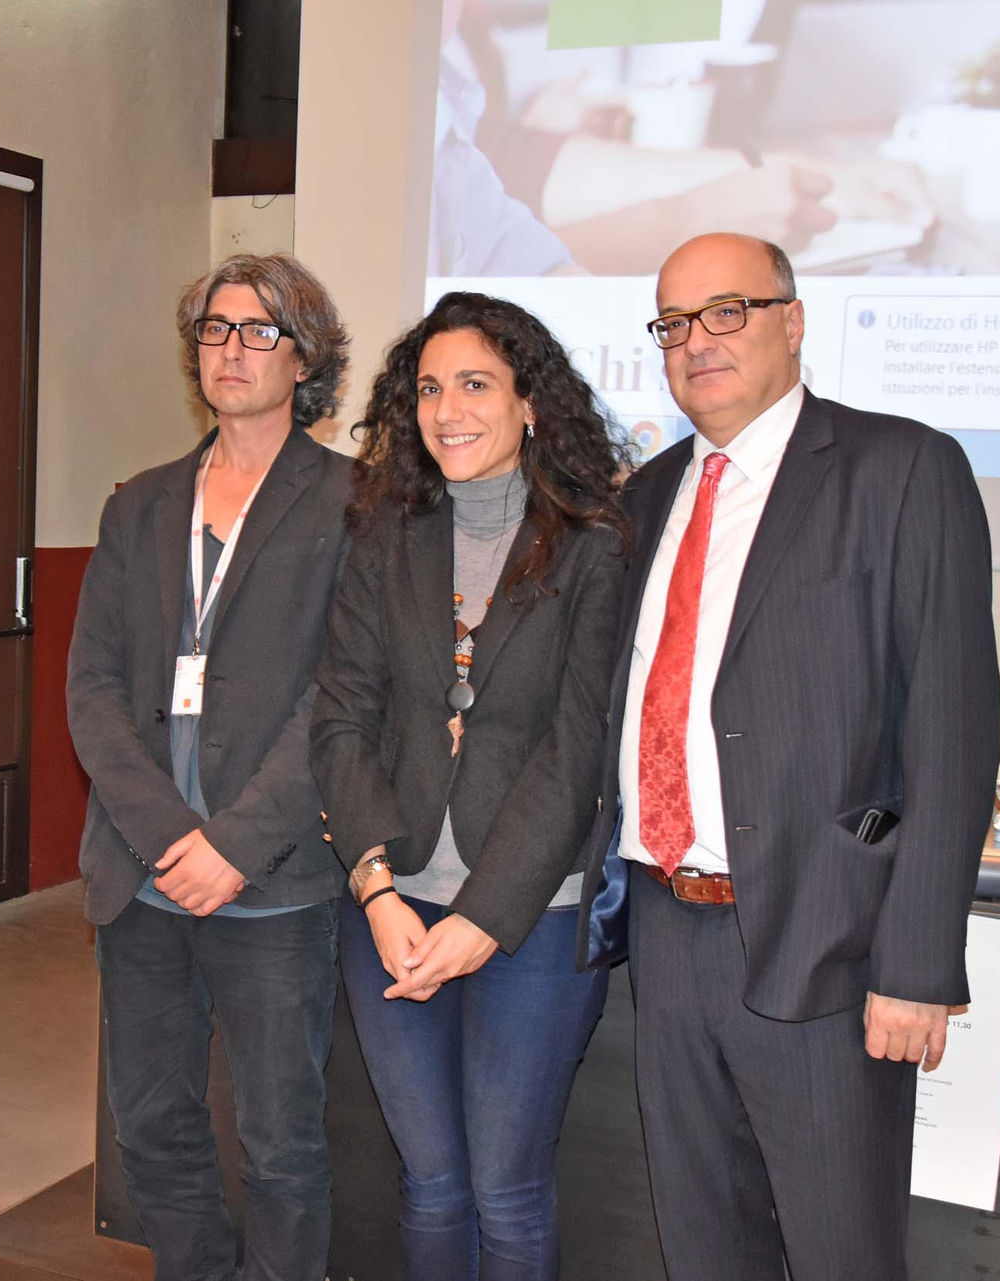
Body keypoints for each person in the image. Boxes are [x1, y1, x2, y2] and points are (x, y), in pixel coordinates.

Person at [576, 233, 1000, 1281]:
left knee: (839, 1253)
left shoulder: (901, 469)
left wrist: (916, 968)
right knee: (703, 1246)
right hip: (667, 925)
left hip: (829, 939)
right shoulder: (646, 495)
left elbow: (951, 730)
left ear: (795, 321)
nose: (697, 341)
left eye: (728, 311)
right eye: (674, 323)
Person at [312, 291, 629, 1280]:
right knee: (432, 1185)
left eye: (477, 385)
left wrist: (483, 916)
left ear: (531, 403)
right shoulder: (384, 534)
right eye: (429, 388)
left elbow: (576, 749)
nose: (448, 410)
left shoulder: (594, 544)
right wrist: (374, 888)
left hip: (534, 921)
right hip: (392, 909)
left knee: (507, 1191)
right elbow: (341, 716)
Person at [66, 253, 353, 1281]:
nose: (232, 350)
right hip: (141, 876)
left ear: (305, 358)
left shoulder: (354, 505)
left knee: (280, 1146)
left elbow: (343, 700)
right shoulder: (140, 505)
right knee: (152, 1128)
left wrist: (231, 845)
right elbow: (93, 687)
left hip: (271, 883)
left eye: (260, 330)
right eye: (216, 329)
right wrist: (167, 836)